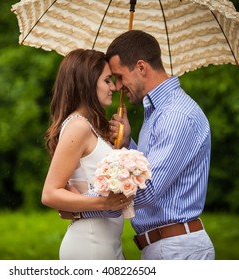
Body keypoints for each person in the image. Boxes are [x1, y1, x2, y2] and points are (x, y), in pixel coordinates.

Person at [77, 30, 215, 260]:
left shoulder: (175, 115)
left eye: (120, 76)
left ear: (141, 67)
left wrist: (81, 205)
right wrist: (126, 143)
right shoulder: (157, 112)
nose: (118, 86)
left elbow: (147, 190)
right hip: (165, 247)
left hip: (177, 250)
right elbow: (147, 172)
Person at [41, 49, 132, 260]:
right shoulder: (78, 126)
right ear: (88, 83)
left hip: (105, 243)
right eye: (107, 80)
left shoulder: (89, 127)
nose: (114, 87)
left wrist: (122, 141)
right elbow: (50, 193)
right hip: (89, 243)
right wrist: (104, 204)